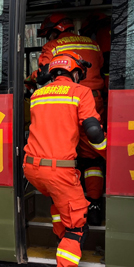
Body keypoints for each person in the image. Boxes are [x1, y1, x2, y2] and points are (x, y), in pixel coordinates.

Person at [23, 52, 106, 267]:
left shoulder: (38, 94)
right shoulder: (80, 92)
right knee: (77, 227)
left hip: (32, 169)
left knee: (60, 207)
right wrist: (108, 151)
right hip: (58, 171)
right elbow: (93, 131)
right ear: (76, 72)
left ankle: (64, 244)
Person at [34, 14, 108, 224]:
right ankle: (94, 203)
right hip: (94, 100)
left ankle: (65, 208)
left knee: (62, 149)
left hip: (65, 99)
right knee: (91, 156)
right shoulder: (93, 43)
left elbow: (42, 75)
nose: (48, 38)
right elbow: (104, 69)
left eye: (48, 34)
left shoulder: (53, 46)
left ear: (55, 31)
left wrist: (33, 78)